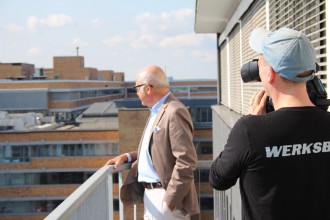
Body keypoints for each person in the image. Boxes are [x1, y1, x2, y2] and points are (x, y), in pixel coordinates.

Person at [209, 27, 330, 220]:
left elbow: (218, 179)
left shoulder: (250, 131)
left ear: (270, 73)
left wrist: (253, 123)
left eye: (260, 60)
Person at [105, 65, 200, 219]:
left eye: (136, 88)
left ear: (147, 88)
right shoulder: (156, 111)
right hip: (151, 197)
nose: (136, 93)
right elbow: (157, 149)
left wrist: (170, 201)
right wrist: (128, 157)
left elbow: (186, 160)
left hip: (165, 198)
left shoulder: (174, 111)